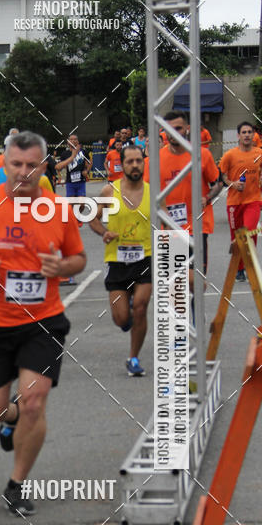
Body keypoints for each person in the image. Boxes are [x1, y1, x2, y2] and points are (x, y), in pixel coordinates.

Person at [0, 131, 86, 516]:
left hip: (43, 321)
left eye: (32, 166)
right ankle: (10, 419)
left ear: (45, 167)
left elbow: (79, 258)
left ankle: (17, 483)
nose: (23, 173)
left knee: (35, 400)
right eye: (16, 165)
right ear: (3, 165)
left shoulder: (58, 209)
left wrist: (63, 266)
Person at [144, 110, 222, 295]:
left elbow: (218, 183)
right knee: (174, 288)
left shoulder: (202, 154)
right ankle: (182, 323)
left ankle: (196, 321)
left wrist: (208, 197)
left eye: (178, 128)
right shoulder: (154, 160)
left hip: (197, 226)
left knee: (196, 285)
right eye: (168, 130)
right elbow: (147, 192)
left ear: (187, 129)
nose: (173, 133)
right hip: (168, 228)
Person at [90, 145, 151, 377]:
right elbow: (92, 218)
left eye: (138, 161)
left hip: (145, 257)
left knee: (141, 306)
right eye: (130, 162)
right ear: (122, 165)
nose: (135, 165)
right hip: (117, 261)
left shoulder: (152, 191)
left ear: (144, 163)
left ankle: (133, 357)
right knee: (122, 318)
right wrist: (104, 232)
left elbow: (165, 221)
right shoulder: (109, 191)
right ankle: (128, 321)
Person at [219, 121, 262, 282]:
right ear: (238, 135)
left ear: (253, 135)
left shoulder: (259, 153)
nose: (247, 135)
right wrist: (233, 184)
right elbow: (222, 176)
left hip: (253, 201)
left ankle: (251, 267)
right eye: (243, 132)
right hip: (234, 203)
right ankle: (239, 269)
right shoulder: (230, 155)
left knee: (249, 233)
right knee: (237, 237)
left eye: (249, 132)